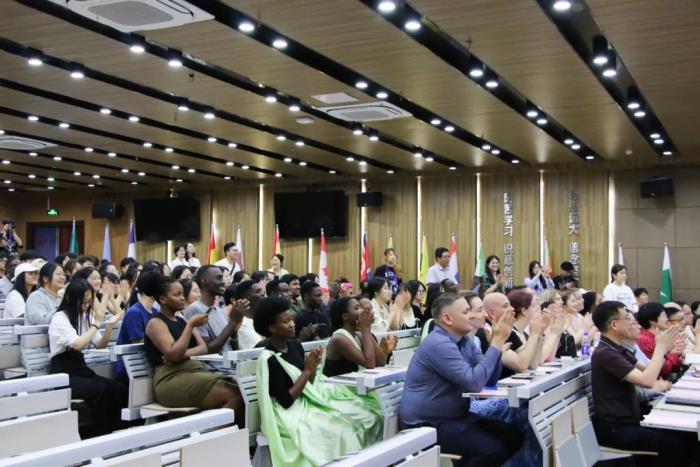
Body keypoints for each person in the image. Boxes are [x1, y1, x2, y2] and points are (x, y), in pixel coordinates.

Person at [254, 297, 383, 466]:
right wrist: (307, 371)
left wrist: (313, 367)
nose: (292, 324)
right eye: (286, 322)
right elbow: (286, 401)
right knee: (336, 430)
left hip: (306, 402)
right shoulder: (269, 359)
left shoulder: (295, 346)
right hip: (289, 413)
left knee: (346, 421)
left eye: (292, 319)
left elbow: (309, 385)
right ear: (271, 327)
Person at [399, 293, 523, 466]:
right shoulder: (438, 343)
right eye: (466, 312)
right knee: (492, 450)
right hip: (425, 423)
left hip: (453, 416)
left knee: (514, 435)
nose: (471, 315)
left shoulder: (464, 341)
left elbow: (488, 381)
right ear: (448, 319)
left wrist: (495, 346)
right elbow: (475, 383)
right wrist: (497, 342)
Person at [591, 301, 690, 466]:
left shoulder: (617, 349)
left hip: (628, 422)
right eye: (627, 319)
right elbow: (647, 381)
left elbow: (648, 371)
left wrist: (666, 349)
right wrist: (660, 347)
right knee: (675, 444)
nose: (632, 322)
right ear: (614, 325)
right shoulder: (605, 353)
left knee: (682, 435)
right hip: (614, 429)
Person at [144, 276, 242, 413]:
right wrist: (190, 326)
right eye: (177, 295)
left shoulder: (182, 320)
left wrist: (180, 355)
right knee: (234, 394)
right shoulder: (156, 323)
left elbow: (203, 348)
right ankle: (215, 428)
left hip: (194, 372)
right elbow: (174, 354)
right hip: (171, 379)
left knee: (239, 388)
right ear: (163, 299)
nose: (182, 298)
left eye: (183, 294)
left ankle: (221, 426)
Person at [48, 279, 125, 437]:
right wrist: (96, 323)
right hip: (63, 373)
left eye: (89, 302)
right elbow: (78, 344)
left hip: (80, 369)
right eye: (83, 302)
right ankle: (100, 434)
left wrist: (109, 325)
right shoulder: (60, 318)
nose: (86, 306)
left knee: (118, 388)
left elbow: (100, 345)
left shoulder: (84, 316)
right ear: (71, 298)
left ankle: (116, 431)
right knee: (101, 390)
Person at [323, 296, 395, 377]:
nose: (362, 311)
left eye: (361, 307)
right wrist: (366, 328)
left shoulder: (359, 334)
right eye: (357, 308)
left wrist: (366, 329)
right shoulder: (339, 338)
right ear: (345, 316)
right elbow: (370, 365)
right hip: (332, 384)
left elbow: (381, 363)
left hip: (353, 382)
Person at [184, 265, 244, 354]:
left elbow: (232, 349)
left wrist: (234, 329)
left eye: (222, 278)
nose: (223, 282)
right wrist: (232, 323)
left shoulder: (220, 312)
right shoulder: (195, 309)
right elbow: (207, 350)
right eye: (219, 278)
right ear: (204, 281)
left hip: (229, 362)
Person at [113, 271, 161, 381]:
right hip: (130, 364)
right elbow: (138, 342)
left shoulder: (154, 311)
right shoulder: (134, 312)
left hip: (145, 361)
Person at [637, 303, 685, 380]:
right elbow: (663, 370)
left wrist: (679, 357)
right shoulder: (645, 340)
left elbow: (674, 367)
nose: (667, 319)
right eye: (664, 315)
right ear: (652, 321)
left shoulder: (659, 336)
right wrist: (674, 353)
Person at [228, 279, 266, 349]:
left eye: (262, 291)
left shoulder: (262, 318)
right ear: (245, 298)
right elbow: (260, 349)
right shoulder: (241, 324)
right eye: (258, 291)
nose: (263, 294)